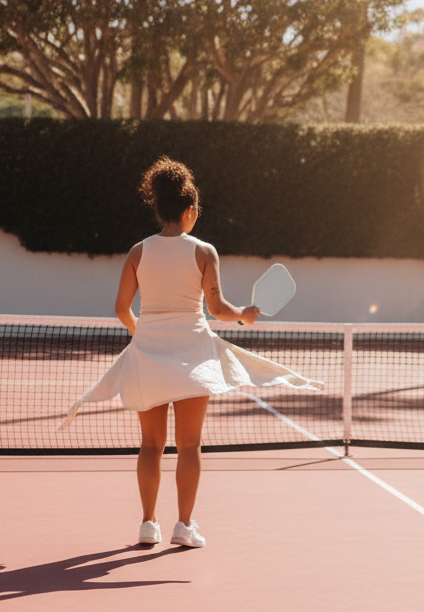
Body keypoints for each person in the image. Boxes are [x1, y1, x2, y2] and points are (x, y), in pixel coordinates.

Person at [64, 156, 322, 548]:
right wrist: (245, 316)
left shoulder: (137, 252)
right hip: (192, 355)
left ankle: (148, 524)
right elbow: (217, 310)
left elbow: (120, 308)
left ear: (158, 208)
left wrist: (142, 332)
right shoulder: (204, 252)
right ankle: (184, 527)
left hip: (148, 355)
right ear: (189, 211)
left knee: (150, 445)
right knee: (190, 445)